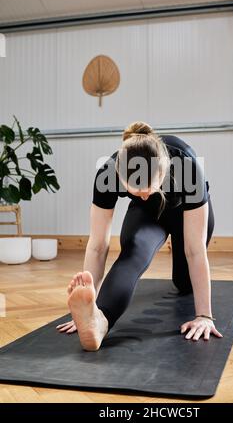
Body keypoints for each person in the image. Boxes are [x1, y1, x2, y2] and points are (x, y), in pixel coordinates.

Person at [57, 121, 223, 351]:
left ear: (164, 172)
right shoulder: (108, 173)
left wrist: (204, 315)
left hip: (185, 211)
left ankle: (184, 286)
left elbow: (195, 251)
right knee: (134, 251)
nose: (144, 195)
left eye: (148, 190)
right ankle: (98, 321)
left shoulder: (187, 166)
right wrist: (90, 302)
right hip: (147, 215)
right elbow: (97, 246)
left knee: (183, 283)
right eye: (136, 192)